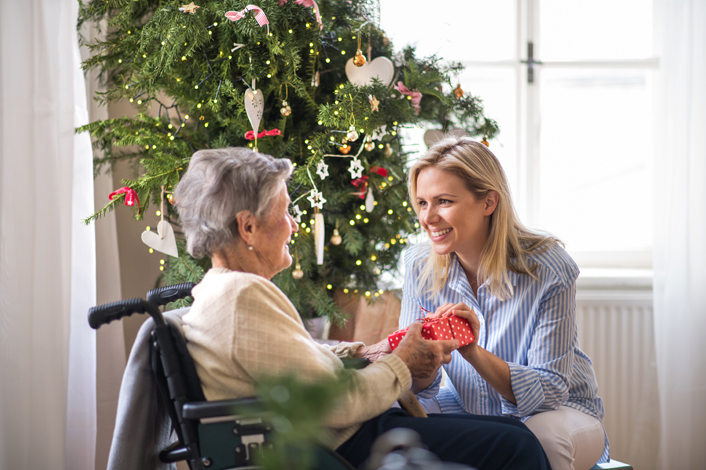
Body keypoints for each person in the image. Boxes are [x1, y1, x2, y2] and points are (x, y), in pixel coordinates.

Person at [174, 147, 550, 470]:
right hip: (343, 444)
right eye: (284, 212)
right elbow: (337, 403)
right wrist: (401, 362)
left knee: (516, 433)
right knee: (518, 446)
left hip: (345, 434)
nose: (293, 225)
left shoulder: (224, 291)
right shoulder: (242, 296)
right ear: (248, 227)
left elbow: (294, 360)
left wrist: (369, 351)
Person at [400, 136, 608, 470]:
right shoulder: (417, 266)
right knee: (402, 426)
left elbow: (550, 390)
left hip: (560, 412)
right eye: (422, 203)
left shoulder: (549, 268)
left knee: (541, 439)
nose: (429, 217)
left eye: (443, 201)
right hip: (466, 407)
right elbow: (414, 384)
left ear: (488, 203)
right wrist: (424, 358)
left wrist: (472, 351)